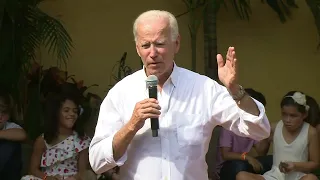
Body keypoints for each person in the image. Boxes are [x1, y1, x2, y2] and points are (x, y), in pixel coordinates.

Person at [89, 10, 270, 180]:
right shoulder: (121, 93)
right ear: (137, 49)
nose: (152, 53)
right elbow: (97, 162)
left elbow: (259, 130)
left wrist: (235, 90)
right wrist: (131, 126)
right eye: (145, 45)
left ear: (176, 44)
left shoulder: (203, 88)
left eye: (160, 44)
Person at [236, 91, 319, 180]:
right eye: (284, 114)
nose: (287, 120)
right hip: (275, 176)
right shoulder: (274, 127)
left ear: (304, 115)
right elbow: (261, 151)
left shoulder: (311, 132)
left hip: (299, 177)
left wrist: (295, 165)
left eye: (293, 116)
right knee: (242, 176)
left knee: (311, 178)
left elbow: (315, 163)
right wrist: (260, 128)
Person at [21, 94, 91, 180]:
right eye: (66, 110)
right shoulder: (43, 140)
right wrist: (47, 177)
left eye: (75, 111)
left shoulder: (81, 140)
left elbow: (82, 172)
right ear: (56, 114)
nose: (72, 114)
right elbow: (33, 170)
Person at [215, 88, 272, 180]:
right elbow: (225, 155)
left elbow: (261, 151)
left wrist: (265, 131)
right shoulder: (229, 125)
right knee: (240, 167)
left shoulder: (252, 126)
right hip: (227, 167)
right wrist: (247, 158)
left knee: (271, 160)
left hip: (245, 162)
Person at [0, 89, 27, 180]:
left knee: (11, 144)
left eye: (4, 113)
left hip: (7, 174)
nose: (0, 116)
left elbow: (22, 135)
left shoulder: (9, 126)